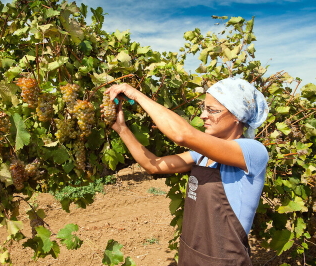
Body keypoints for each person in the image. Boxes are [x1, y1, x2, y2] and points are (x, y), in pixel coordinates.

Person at [105, 77, 269, 266]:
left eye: (212, 110)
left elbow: (182, 134)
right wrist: (121, 128)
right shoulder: (199, 155)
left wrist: (136, 95)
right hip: (190, 255)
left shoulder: (252, 151)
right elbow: (153, 165)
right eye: (204, 108)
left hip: (224, 261)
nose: (203, 116)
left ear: (236, 116)